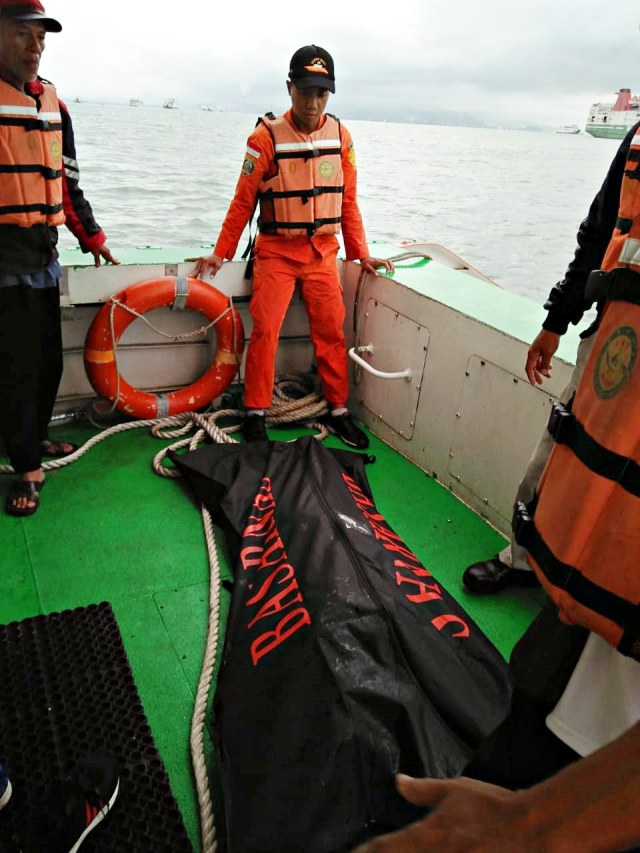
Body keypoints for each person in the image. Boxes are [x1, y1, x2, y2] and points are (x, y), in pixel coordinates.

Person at [353, 124, 640, 852]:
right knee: (524, 710)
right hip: (584, 605)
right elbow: (599, 237)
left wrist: (541, 826)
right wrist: (554, 321)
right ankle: (530, 564)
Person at [462, 117, 640, 594]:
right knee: (562, 448)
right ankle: (521, 558)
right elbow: (601, 231)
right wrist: (556, 320)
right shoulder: (638, 137)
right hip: (614, 341)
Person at [194, 45, 393, 447]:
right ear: (289, 89)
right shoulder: (263, 137)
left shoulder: (342, 137)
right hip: (277, 253)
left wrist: (360, 252)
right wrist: (222, 251)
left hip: (323, 254)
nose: (313, 102)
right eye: (306, 92)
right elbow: (242, 201)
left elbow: (348, 200)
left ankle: (338, 409)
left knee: (332, 333)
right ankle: (255, 412)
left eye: (322, 94)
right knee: (265, 330)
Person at [0, 0, 118, 518]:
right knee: (15, 367)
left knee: (47, 361)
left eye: (41, 38)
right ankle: (25, 465)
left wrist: (91, 237)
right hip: (2, 264)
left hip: (43, 257)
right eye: (24, 34)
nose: (35, 47)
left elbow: (67, 184)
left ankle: (35, 438)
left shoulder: (55, 106)